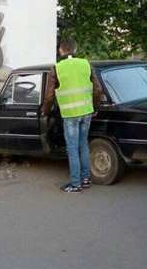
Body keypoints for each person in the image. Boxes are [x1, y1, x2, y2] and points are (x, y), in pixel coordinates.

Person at [42, 37, 103, 193]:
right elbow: (97, 90)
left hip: (70, 115)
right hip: (87, 112)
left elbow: (49, 96)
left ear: (60, 50)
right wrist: (95, 107)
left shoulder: (56, 68)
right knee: (83, 145)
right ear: (75, 49)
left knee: (72, 148)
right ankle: (86, 179)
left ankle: (75, 184)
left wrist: (46, 111)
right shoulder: (86, 64)